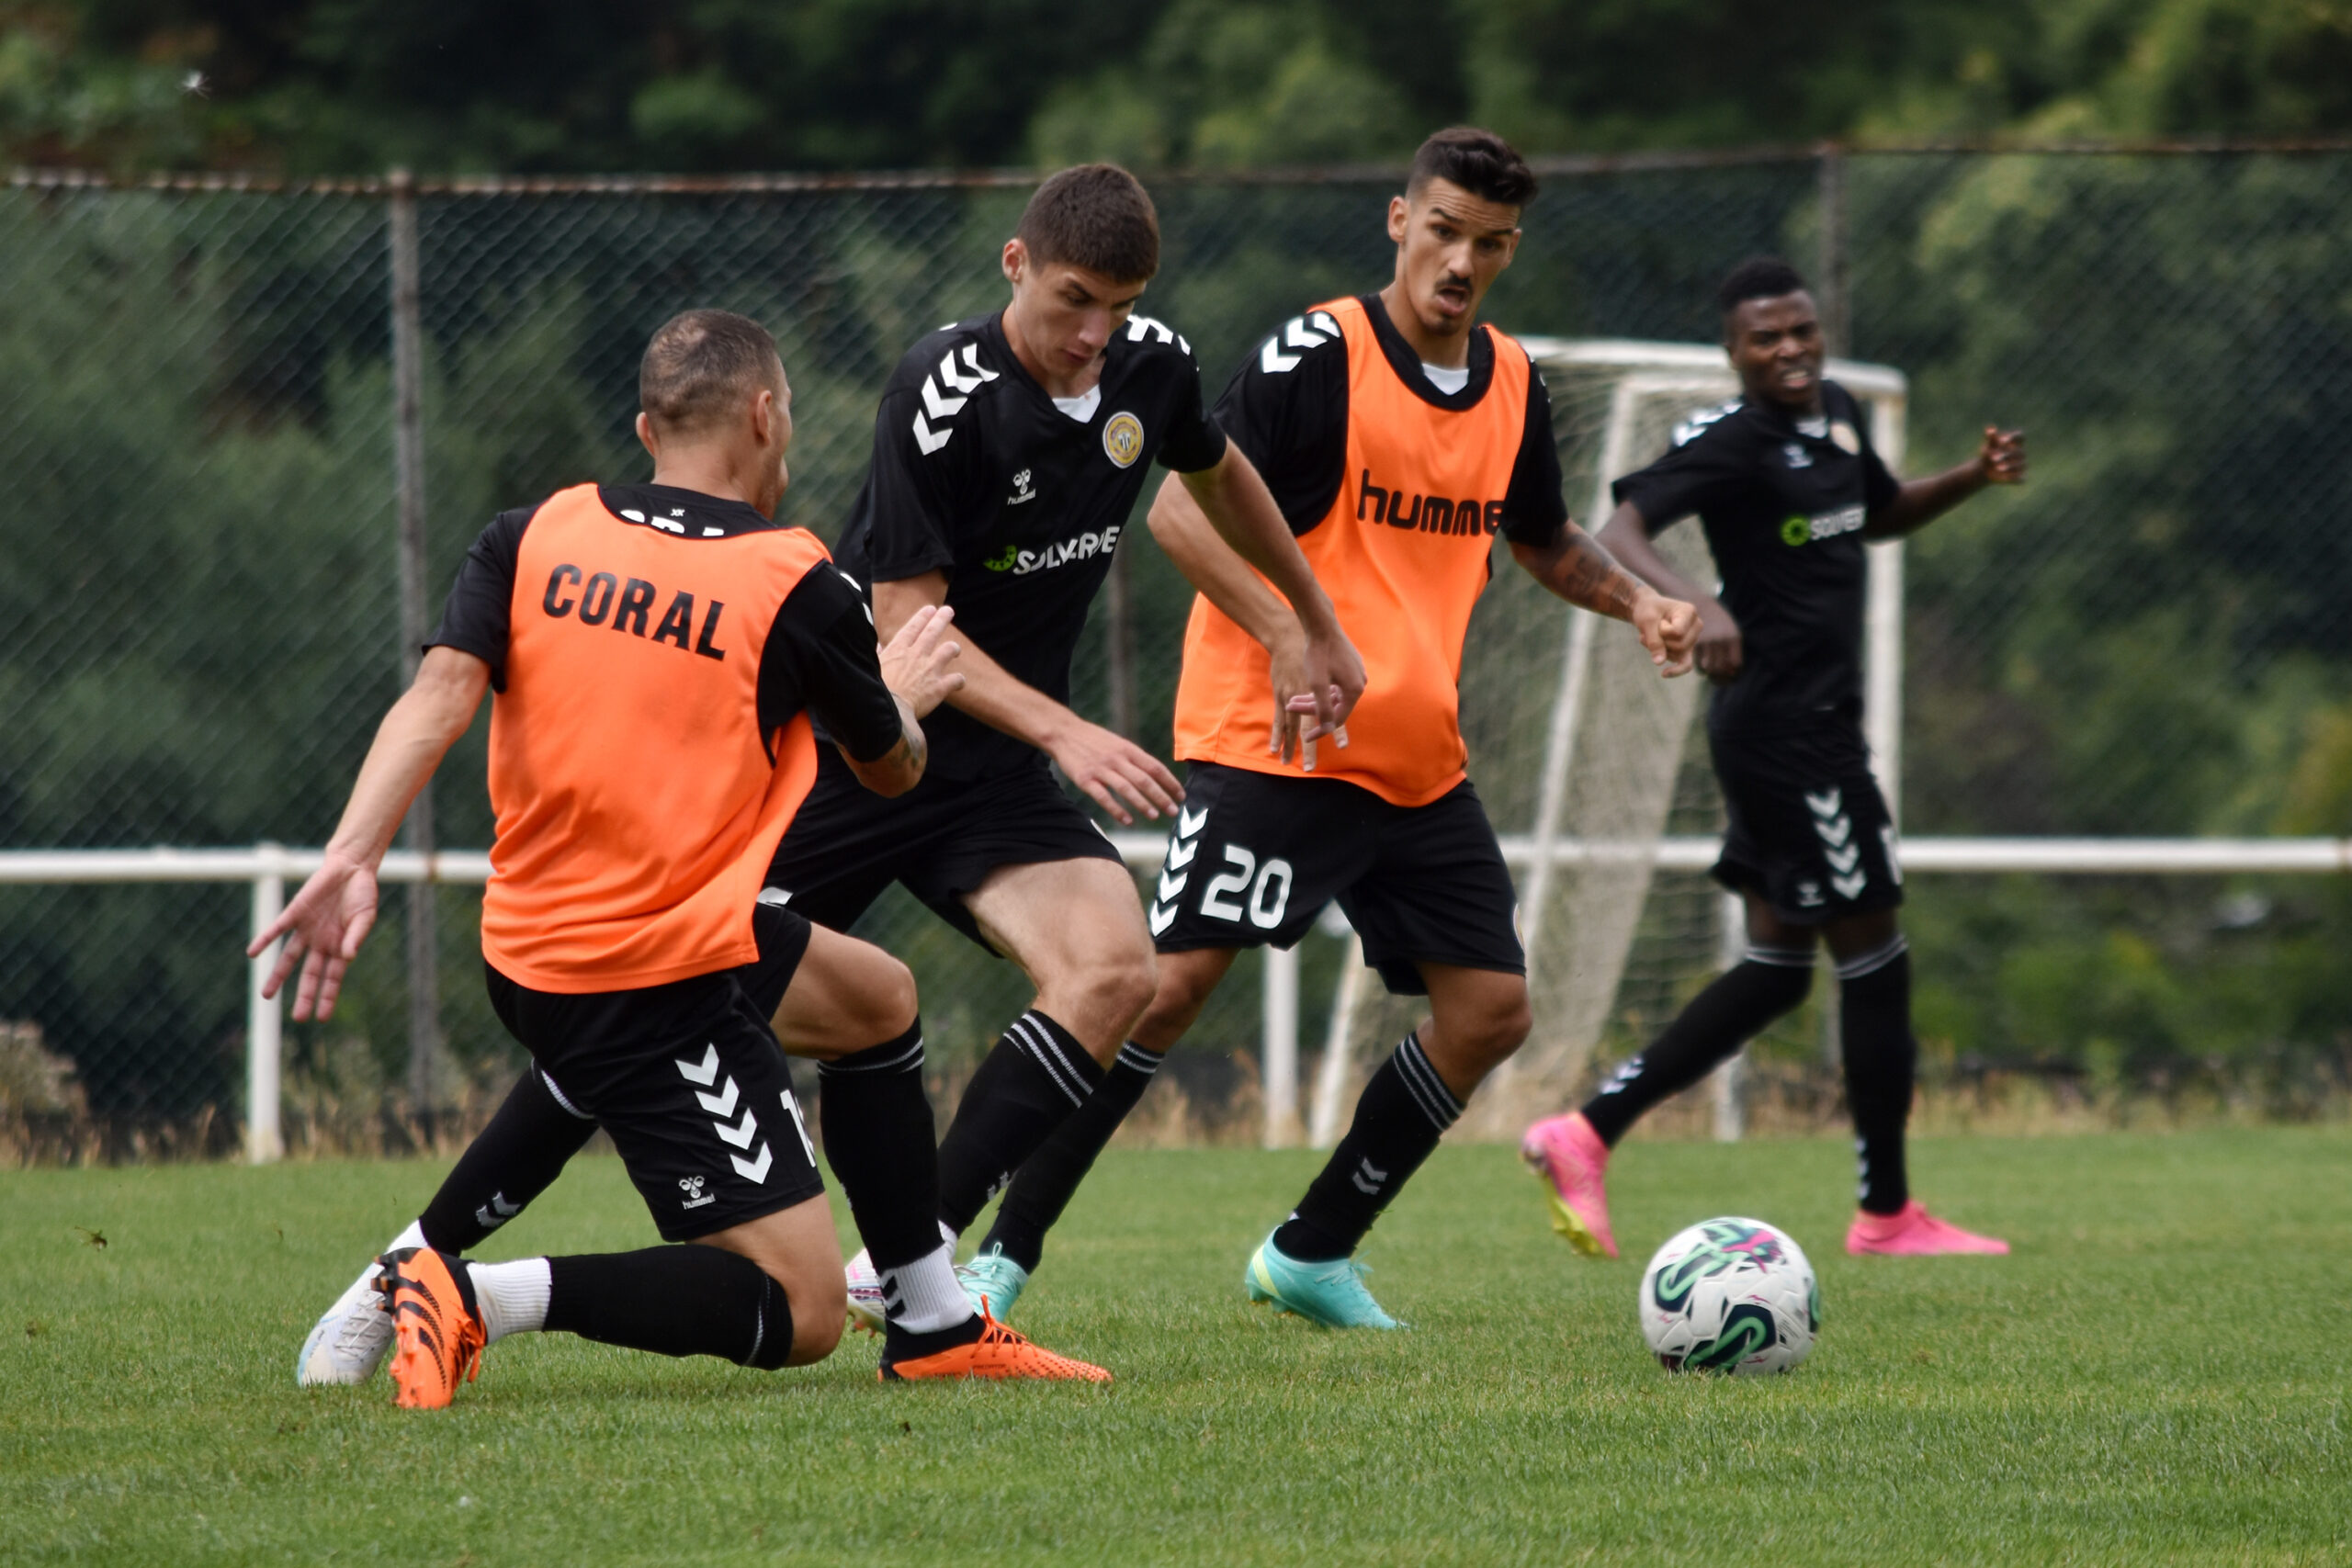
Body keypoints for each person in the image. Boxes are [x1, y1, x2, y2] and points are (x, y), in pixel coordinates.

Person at [294, 163, 1363, 1352]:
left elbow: (1214, 469)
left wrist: (1307, 621)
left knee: (1116, 972)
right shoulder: (940, 392)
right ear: (1015, 266)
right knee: (640, 1007)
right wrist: (1063, 727)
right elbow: (907, 619)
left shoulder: (1150, 367)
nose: (1093, 334)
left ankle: (916, 1285)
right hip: (853, 754)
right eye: (1074, 301)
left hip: (984, 774)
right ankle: (406, 1272)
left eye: (1119, 306)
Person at [275, 310, 1106, 1405]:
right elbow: (895, 772)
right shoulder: (793, 581)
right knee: (802, 1309)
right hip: (649, 974)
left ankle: (933, 1319)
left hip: (535, 942)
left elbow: (436, 699)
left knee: (874, 999)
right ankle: (469, 1293)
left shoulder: (535, 533)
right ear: (765, 418)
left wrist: (352, 855)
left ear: (645, 429)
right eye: (788, 411)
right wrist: (902, 694)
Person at [949, 127, 1702, 1330]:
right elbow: (1180, 517)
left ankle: (1311, 1249)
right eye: (1443, 230)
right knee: (1162, 990)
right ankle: (999, 1259)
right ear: (1400, 222)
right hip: (1275, 740)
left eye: (1490, 243)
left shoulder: (1513, 381)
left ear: (1510, 250)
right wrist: (1292, 632)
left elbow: (1544, 537)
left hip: (1415, 762)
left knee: (1489, 1009)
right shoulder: (1321, 354)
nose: (1461, 262)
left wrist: (1640, 601)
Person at [1520, 257, 2027, 1261]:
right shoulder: (1730, 439)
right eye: (1766, 338)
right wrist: (1697, 602)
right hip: (1789, 732)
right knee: (1874, 955)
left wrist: (1970, 477)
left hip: (1804, 728)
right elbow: (1619, 529)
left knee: (1777, 969)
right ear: (1733, 352)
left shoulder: (1837, 413)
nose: (1790, 350)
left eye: (1801, 330)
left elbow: (1876, 512)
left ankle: (1584, 1133)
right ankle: (1886, 1214)